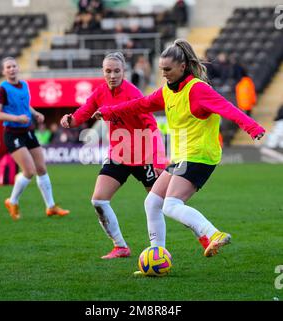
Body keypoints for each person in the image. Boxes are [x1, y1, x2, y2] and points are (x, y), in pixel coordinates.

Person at [93, 39, 265, 263]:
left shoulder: (198, 90)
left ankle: (213, 233)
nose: (163, 74)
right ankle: (158, 256)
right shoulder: (167, 91)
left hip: (200, 156)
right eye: (161, 69)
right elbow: (139, 104)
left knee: (171, 205)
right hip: (181, 156)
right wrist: (108, 111)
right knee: (151, 203)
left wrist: (252, 127)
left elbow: (227, 108)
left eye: (168, 69)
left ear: (182, 67)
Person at [60, 52, 166, 259]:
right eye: (108, 71)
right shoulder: (100, 93)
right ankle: (120, 247)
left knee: (163, 204)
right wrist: (70, 120)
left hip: (142, 155)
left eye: (117, 71)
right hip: (118, 154)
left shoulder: (133, 93)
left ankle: (195, 236)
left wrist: (157, 158)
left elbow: (151, 125)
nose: (112, 75)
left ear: (124, 71)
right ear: (103, 72)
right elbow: (84, 112)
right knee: (98, 200)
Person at [0, 57, 70, 220]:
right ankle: (12, 201)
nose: (12, 69)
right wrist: (16, 118)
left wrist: (35, 113)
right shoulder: (2, 90)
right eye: (8, 67)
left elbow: (25, 105)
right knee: (29, 171)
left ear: (18, 68)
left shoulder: (24, 85)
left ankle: (50, 207)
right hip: (12, 133)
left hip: (27, 131)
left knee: (41, 168)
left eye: (14, 66)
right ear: (3, 71)